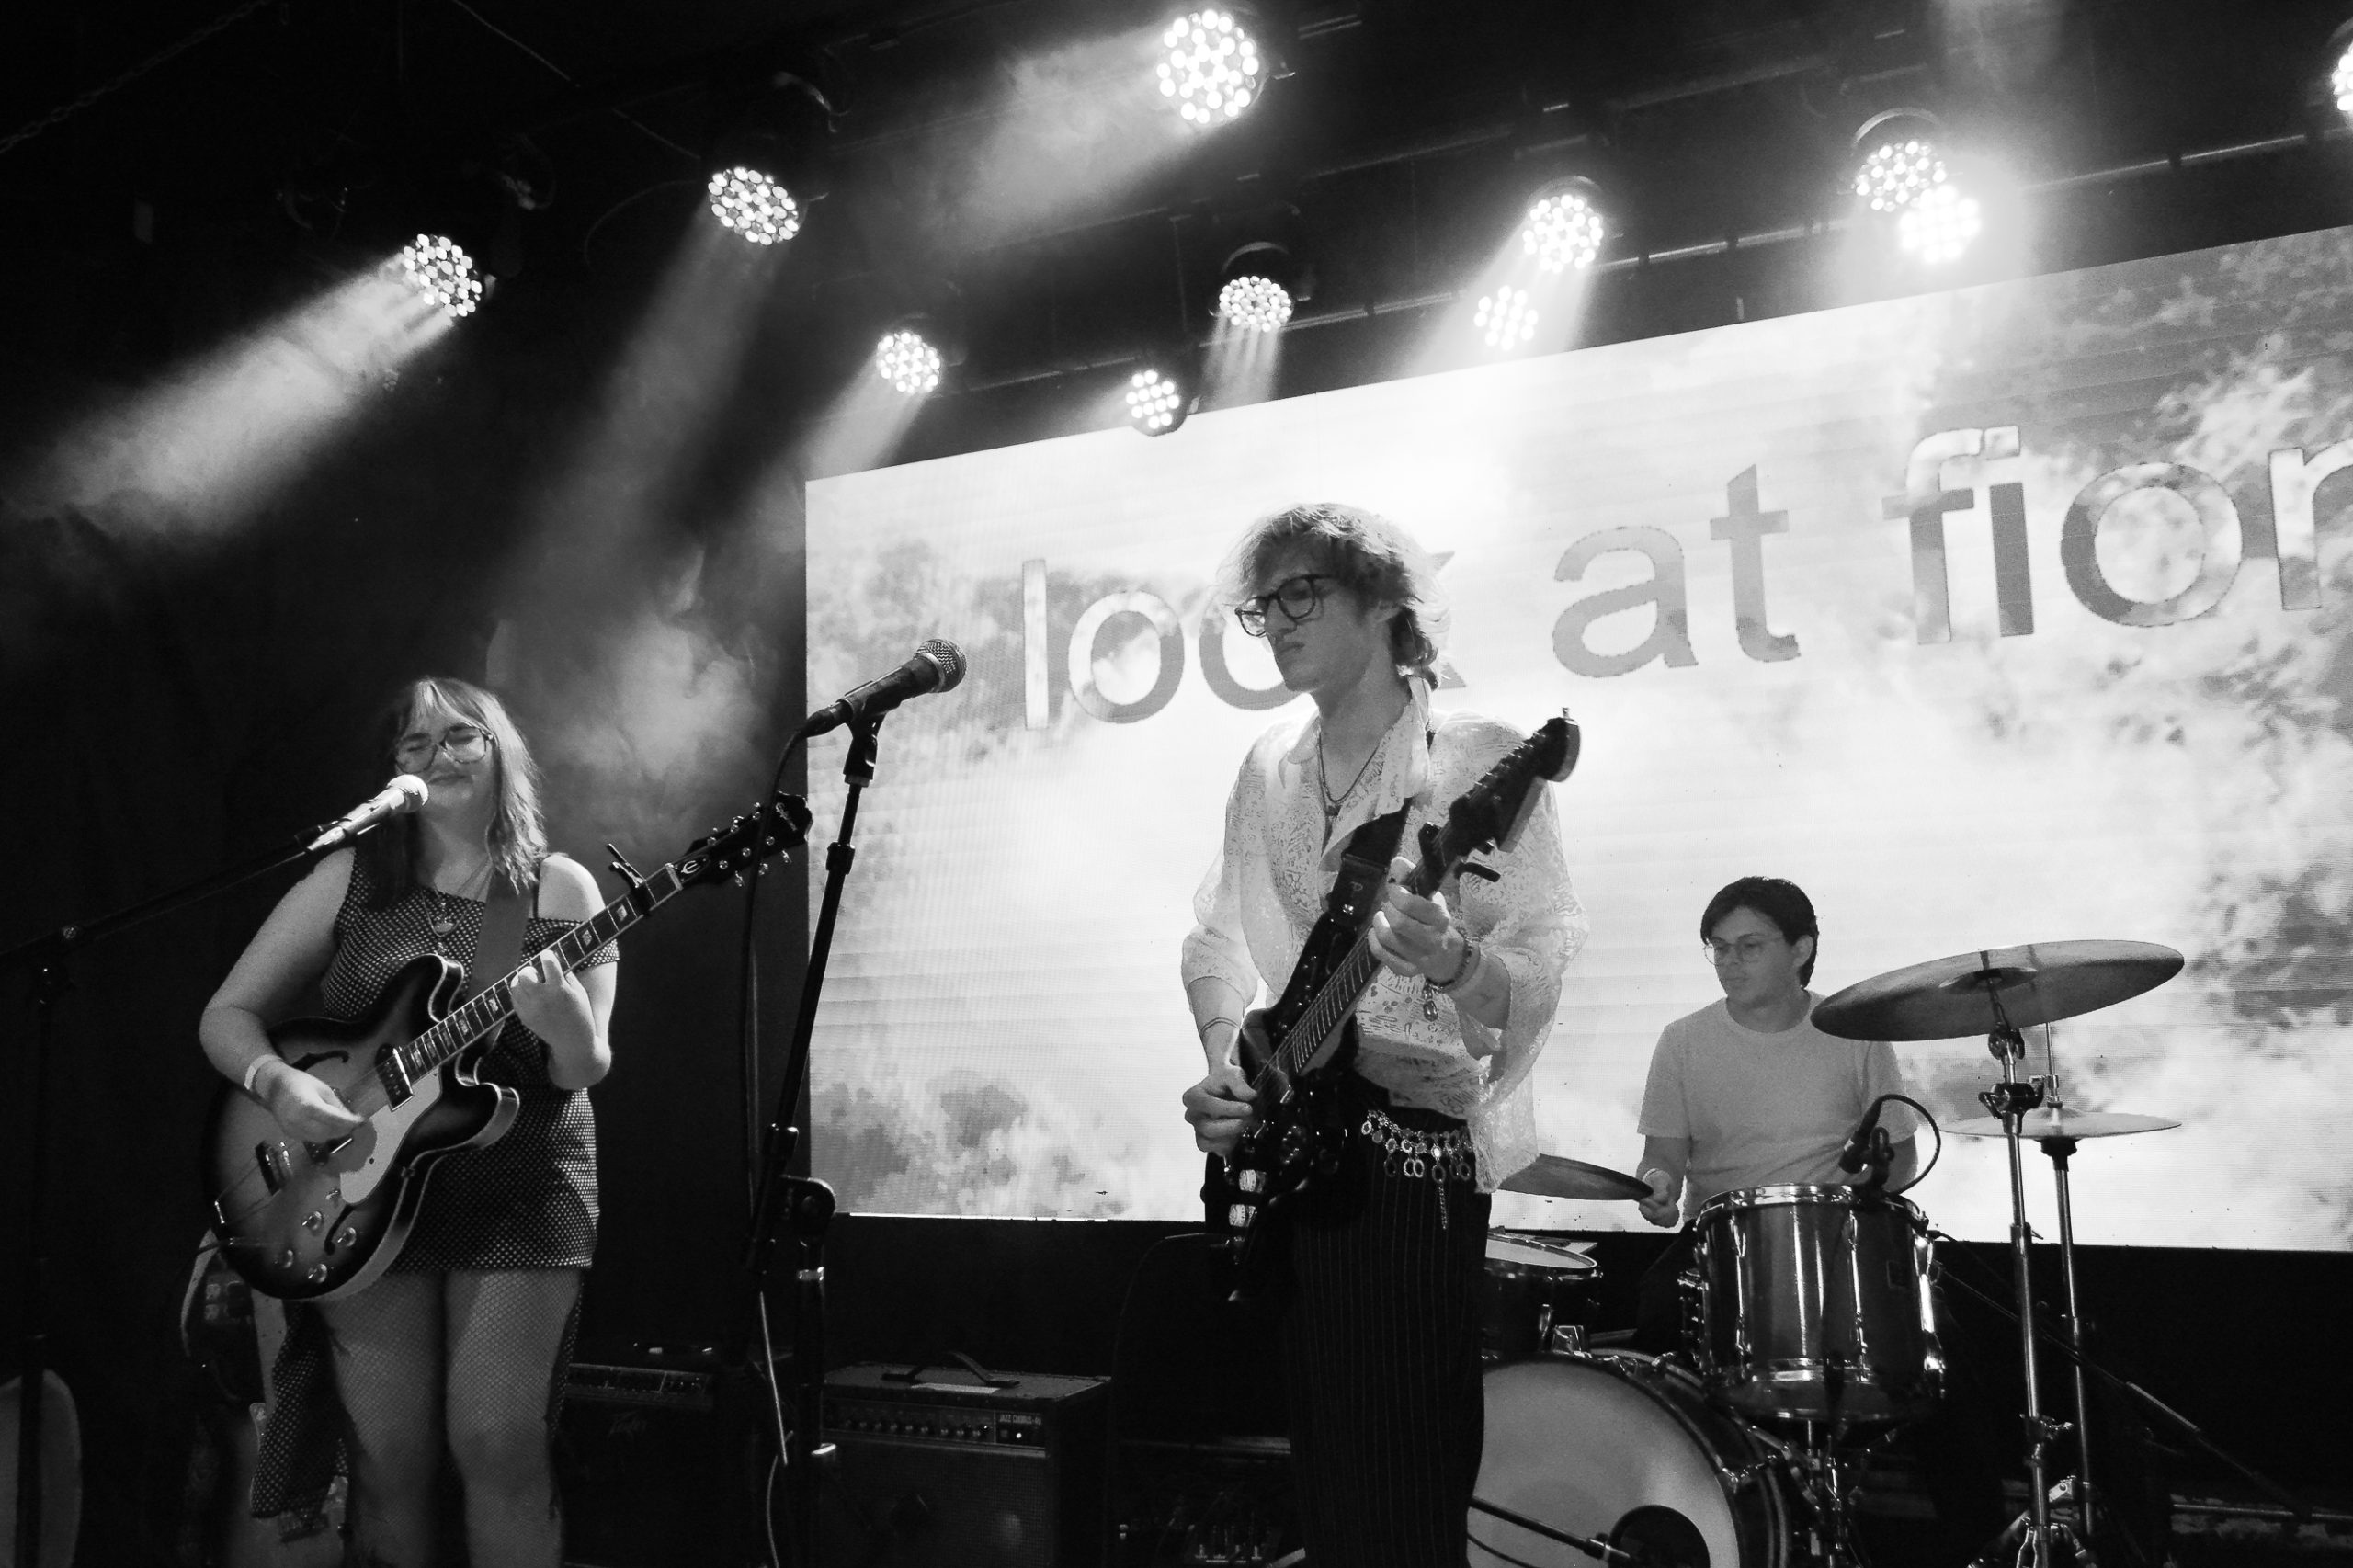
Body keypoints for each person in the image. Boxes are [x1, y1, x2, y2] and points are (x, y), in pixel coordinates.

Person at [1179, 502, 1586, 1568]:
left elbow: (1543, 952)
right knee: (1328, 1488)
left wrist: (1455, 961)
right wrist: (1225, 1066)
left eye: (1300, 592)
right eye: (1260, 605)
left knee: (1400, 1492)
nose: (1275, 620)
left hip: (1411, 1157)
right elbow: (1217, 936)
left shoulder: (1475, 759)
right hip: (1295, 1156)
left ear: (1382, 602)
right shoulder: (1267, 764)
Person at [199, 676, 617, 1568]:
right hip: (362, 1190)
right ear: (392, 769)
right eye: (415, 743)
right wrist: (279, 1084)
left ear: (502, 750)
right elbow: (226, 1014)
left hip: (518, 1187)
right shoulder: (348, 881)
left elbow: (584, 1067)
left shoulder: (559, 886)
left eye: (462, 735)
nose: (439, 755)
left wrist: (566, 1027)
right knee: (389, 1455)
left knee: (497, 1440)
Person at [1632, 875, 2006, 1566]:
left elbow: (1901, 1154)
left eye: (1749, 946)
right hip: (1725, 1240)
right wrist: (1656, 1189)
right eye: (1718, 948)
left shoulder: (1853, 1031)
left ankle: (1979, 1547)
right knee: (1651, 1329)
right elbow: (1664, 1160)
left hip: (1840, 1237)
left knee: (1942, 1362)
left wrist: (1864, 1184)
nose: (1729, 962)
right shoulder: (1683, 1040)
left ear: (1801, 949)